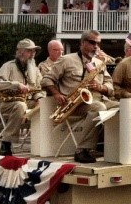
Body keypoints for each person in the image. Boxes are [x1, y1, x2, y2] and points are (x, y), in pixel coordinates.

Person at [41, 30, 117, 164]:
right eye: (92, 42)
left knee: (124, 107)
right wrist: (56, 93)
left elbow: (110, 87)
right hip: (74, 104)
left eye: (98, 43)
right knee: (99, 108)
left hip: (99, 99)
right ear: (82, 43)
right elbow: (47, 79)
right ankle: (82, 150)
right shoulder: (66, 60)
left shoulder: (99, 63)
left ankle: (113, 146)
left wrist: (100, 87)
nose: (96, 46)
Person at [0, 39, 45, 156]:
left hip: (26, 101)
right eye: (30, 51)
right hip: (8, 103)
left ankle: (43, 145)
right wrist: (16, 85)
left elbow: (38, 88)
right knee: (20, 106)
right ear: (20, 52)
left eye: (34, 51)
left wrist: (39, 98)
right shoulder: (8, 66)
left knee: (45, 105)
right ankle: (6, 142)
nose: (33, 54)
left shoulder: (34, 69)